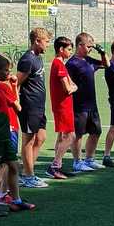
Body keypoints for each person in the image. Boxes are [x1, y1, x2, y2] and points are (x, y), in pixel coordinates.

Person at [0, 53, 36, 217]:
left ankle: (15, 201)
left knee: (13, 165)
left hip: (4, 134)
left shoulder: (1, 87)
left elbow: (15, 106)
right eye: (6, 70)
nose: (9, 73)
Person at [66, 33, 109, 171]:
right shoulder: (72, 63)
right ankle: (77, 161)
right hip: (79, 105)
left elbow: (106, 64)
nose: (91, 49)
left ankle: (89, 159)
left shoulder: (89, 60)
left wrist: (102, 52)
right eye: (89, 46)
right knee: (78, 134)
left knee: (96, 131)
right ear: (80, 45)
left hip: (92, 104)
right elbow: (67, 83)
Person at [17, 28, 51, 188]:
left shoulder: (38, 58)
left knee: (41, 138)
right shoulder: (27, 59)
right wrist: (16, 104)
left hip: (39, 106)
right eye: (46, 41)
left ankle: (26, 171)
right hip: (29, 106)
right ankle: (28, 176)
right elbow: (15, 83)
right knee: (28, 141)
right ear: (37, 41)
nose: (48, 45)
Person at [46, 37, 78, 179]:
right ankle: (55, 165)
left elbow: (71, 83)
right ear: (61, 49)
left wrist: (73, 86)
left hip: (62, 105)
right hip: (62, 106)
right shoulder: (58, 64)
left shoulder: (59, 64)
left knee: (62, 136)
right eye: (69, 49)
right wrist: (73, 87)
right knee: (70, 136)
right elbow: (68, 88)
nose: (71, 52)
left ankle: (57, 166)